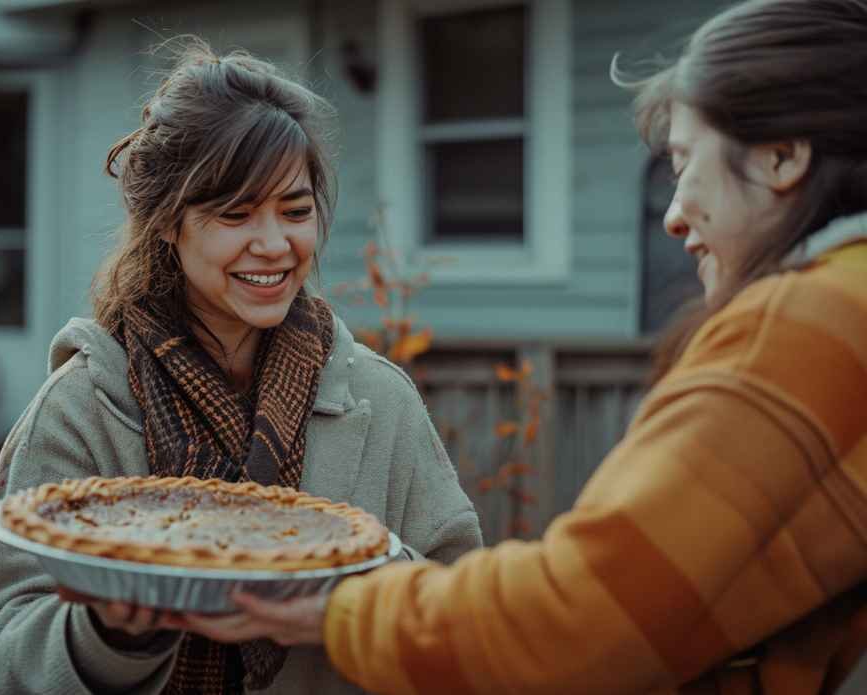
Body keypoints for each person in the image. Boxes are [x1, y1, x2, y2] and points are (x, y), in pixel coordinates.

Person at [181, 1, 867, 693]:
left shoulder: (805, 325)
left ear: (783, 156)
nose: (673, 212)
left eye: (686, 163)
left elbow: (581, 621)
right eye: (234, 214)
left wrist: (337, 605)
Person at [0, 38, 482, 695]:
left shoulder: (379, 400)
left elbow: (465, 619)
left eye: (295, 211)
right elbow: (4, 661)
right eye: (234, 214)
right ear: (166, 222)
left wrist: (356, 587)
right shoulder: (81, 406)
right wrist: (111, 634)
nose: (273, 244)